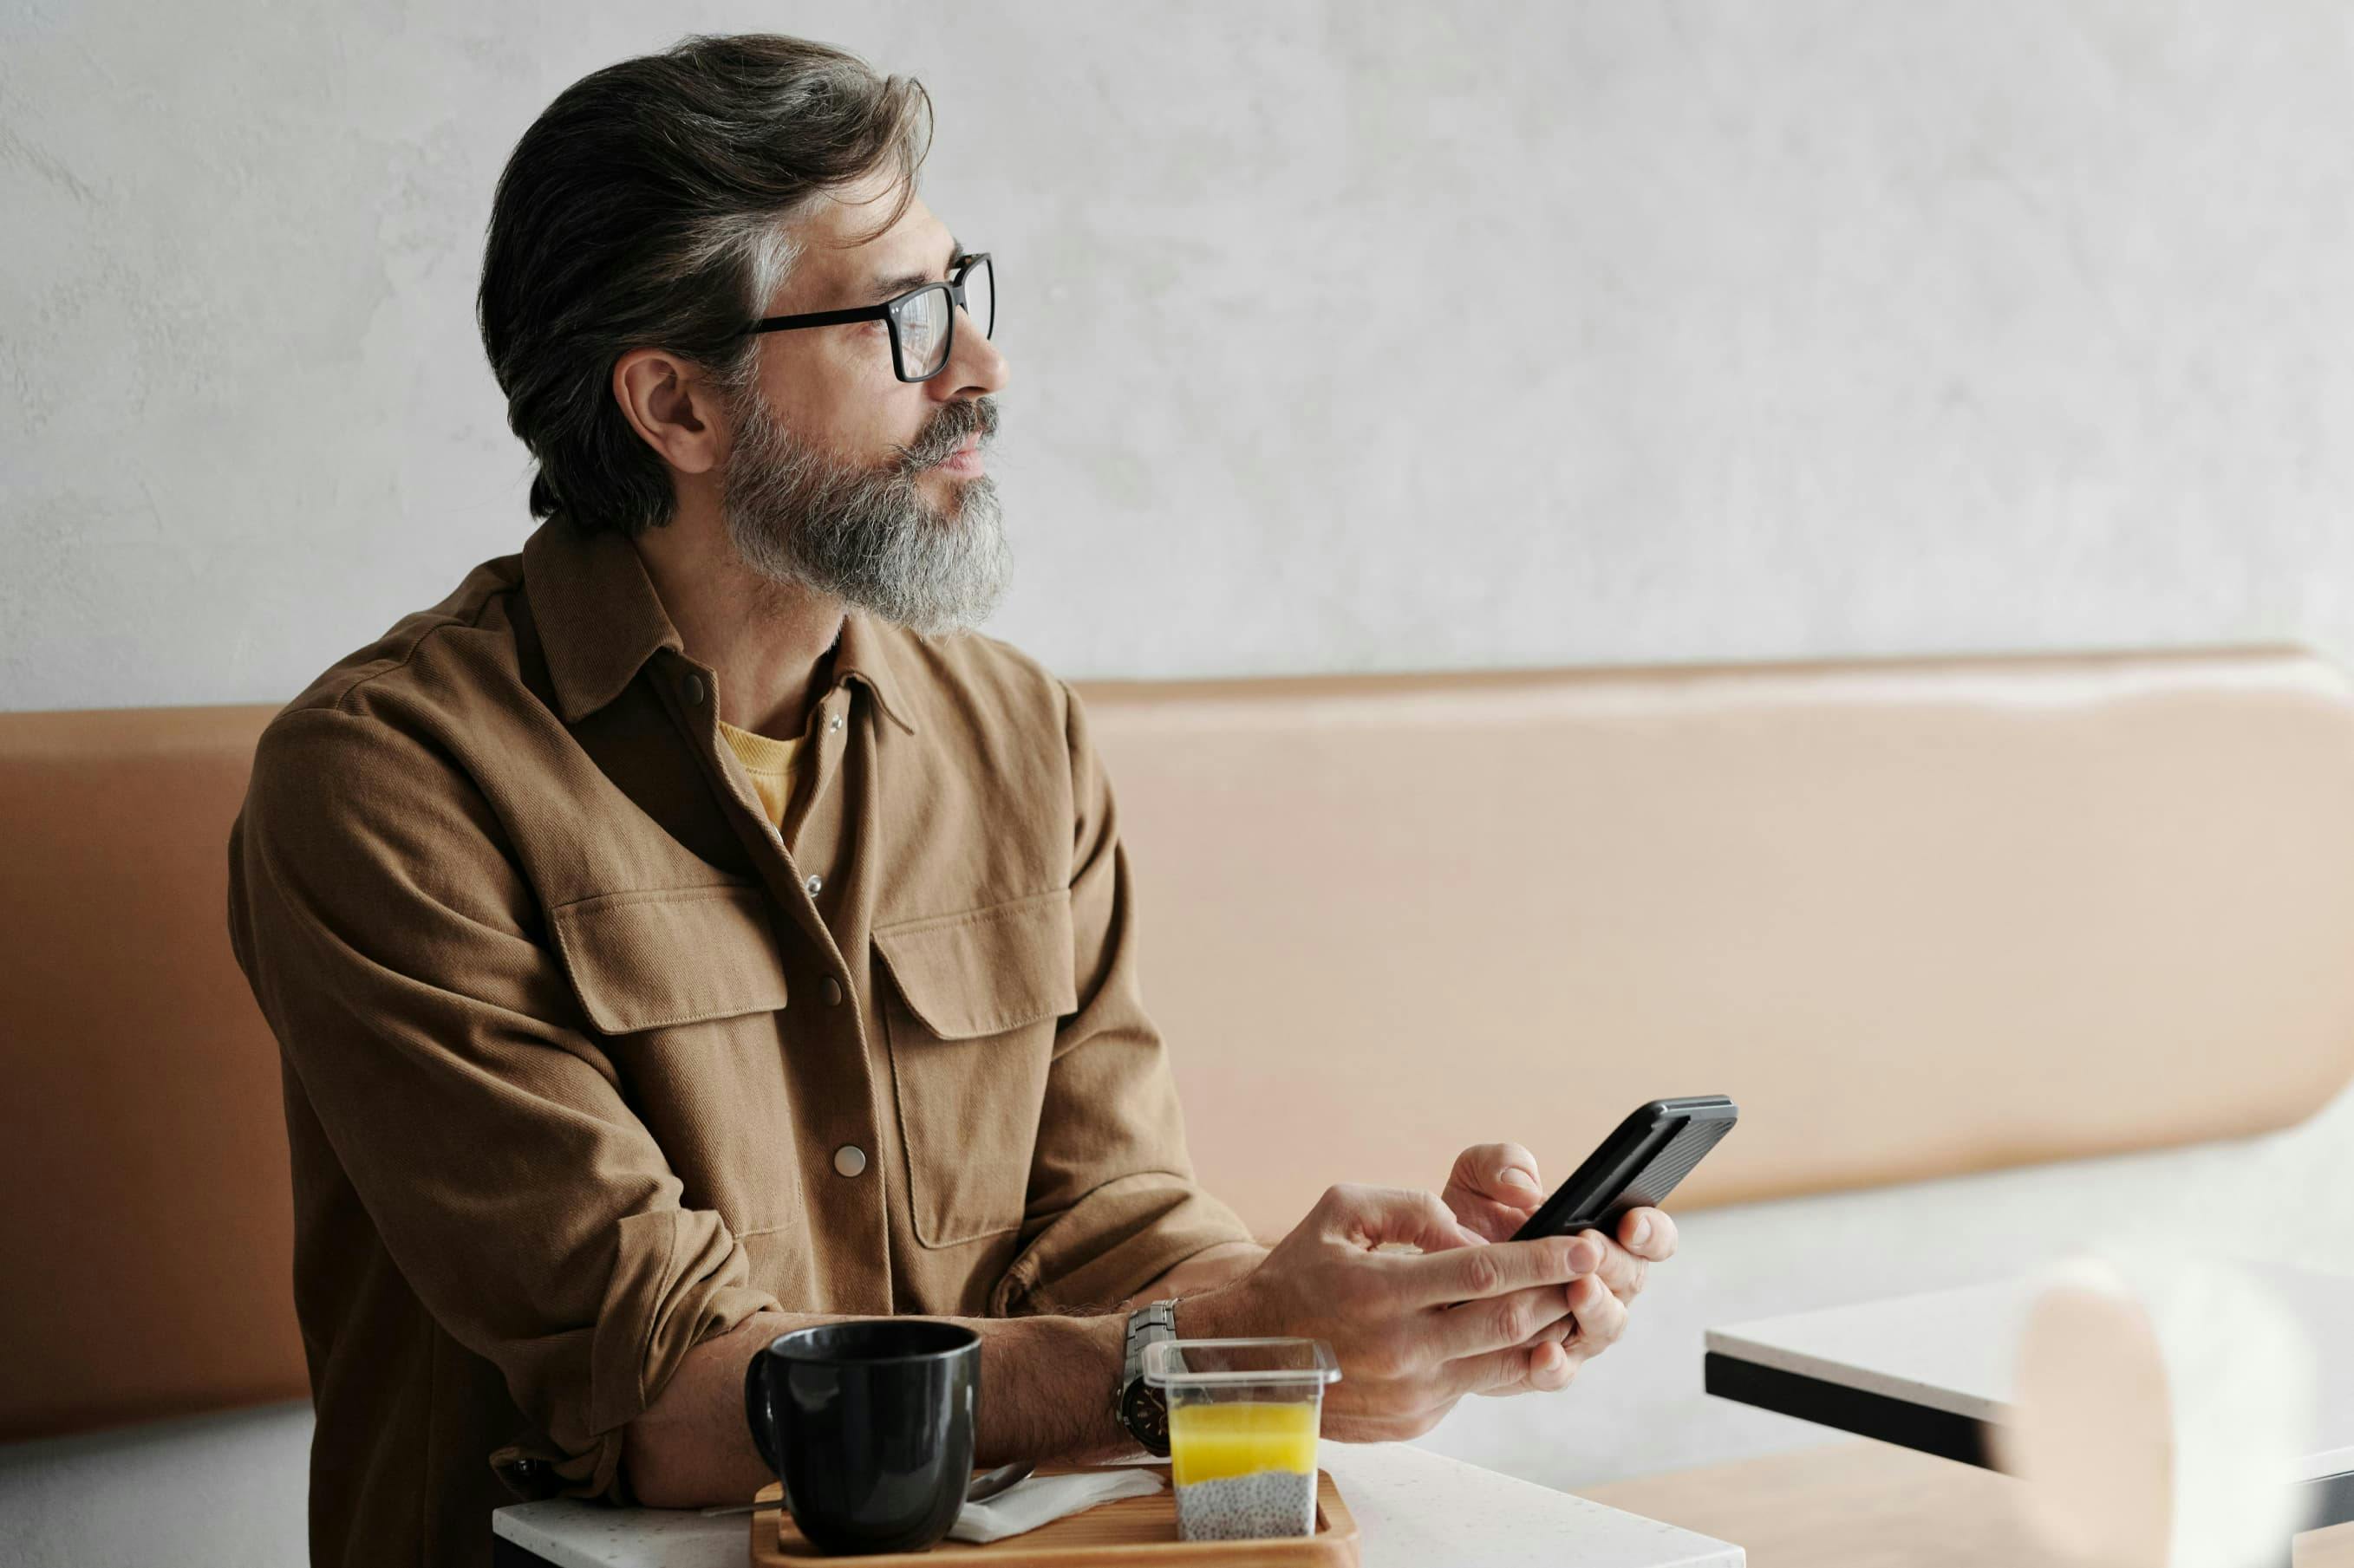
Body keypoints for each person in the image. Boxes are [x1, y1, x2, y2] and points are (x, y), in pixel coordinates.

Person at [225, 33, 1679, 1568]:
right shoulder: (388, 785)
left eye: (965, 290)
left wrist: (1362, 1319)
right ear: (678, 409)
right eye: (905, 323)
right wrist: (1203, 1349)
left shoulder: (1016, 733)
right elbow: (667, 1398)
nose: (982, 367)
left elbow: (1109, 1217)